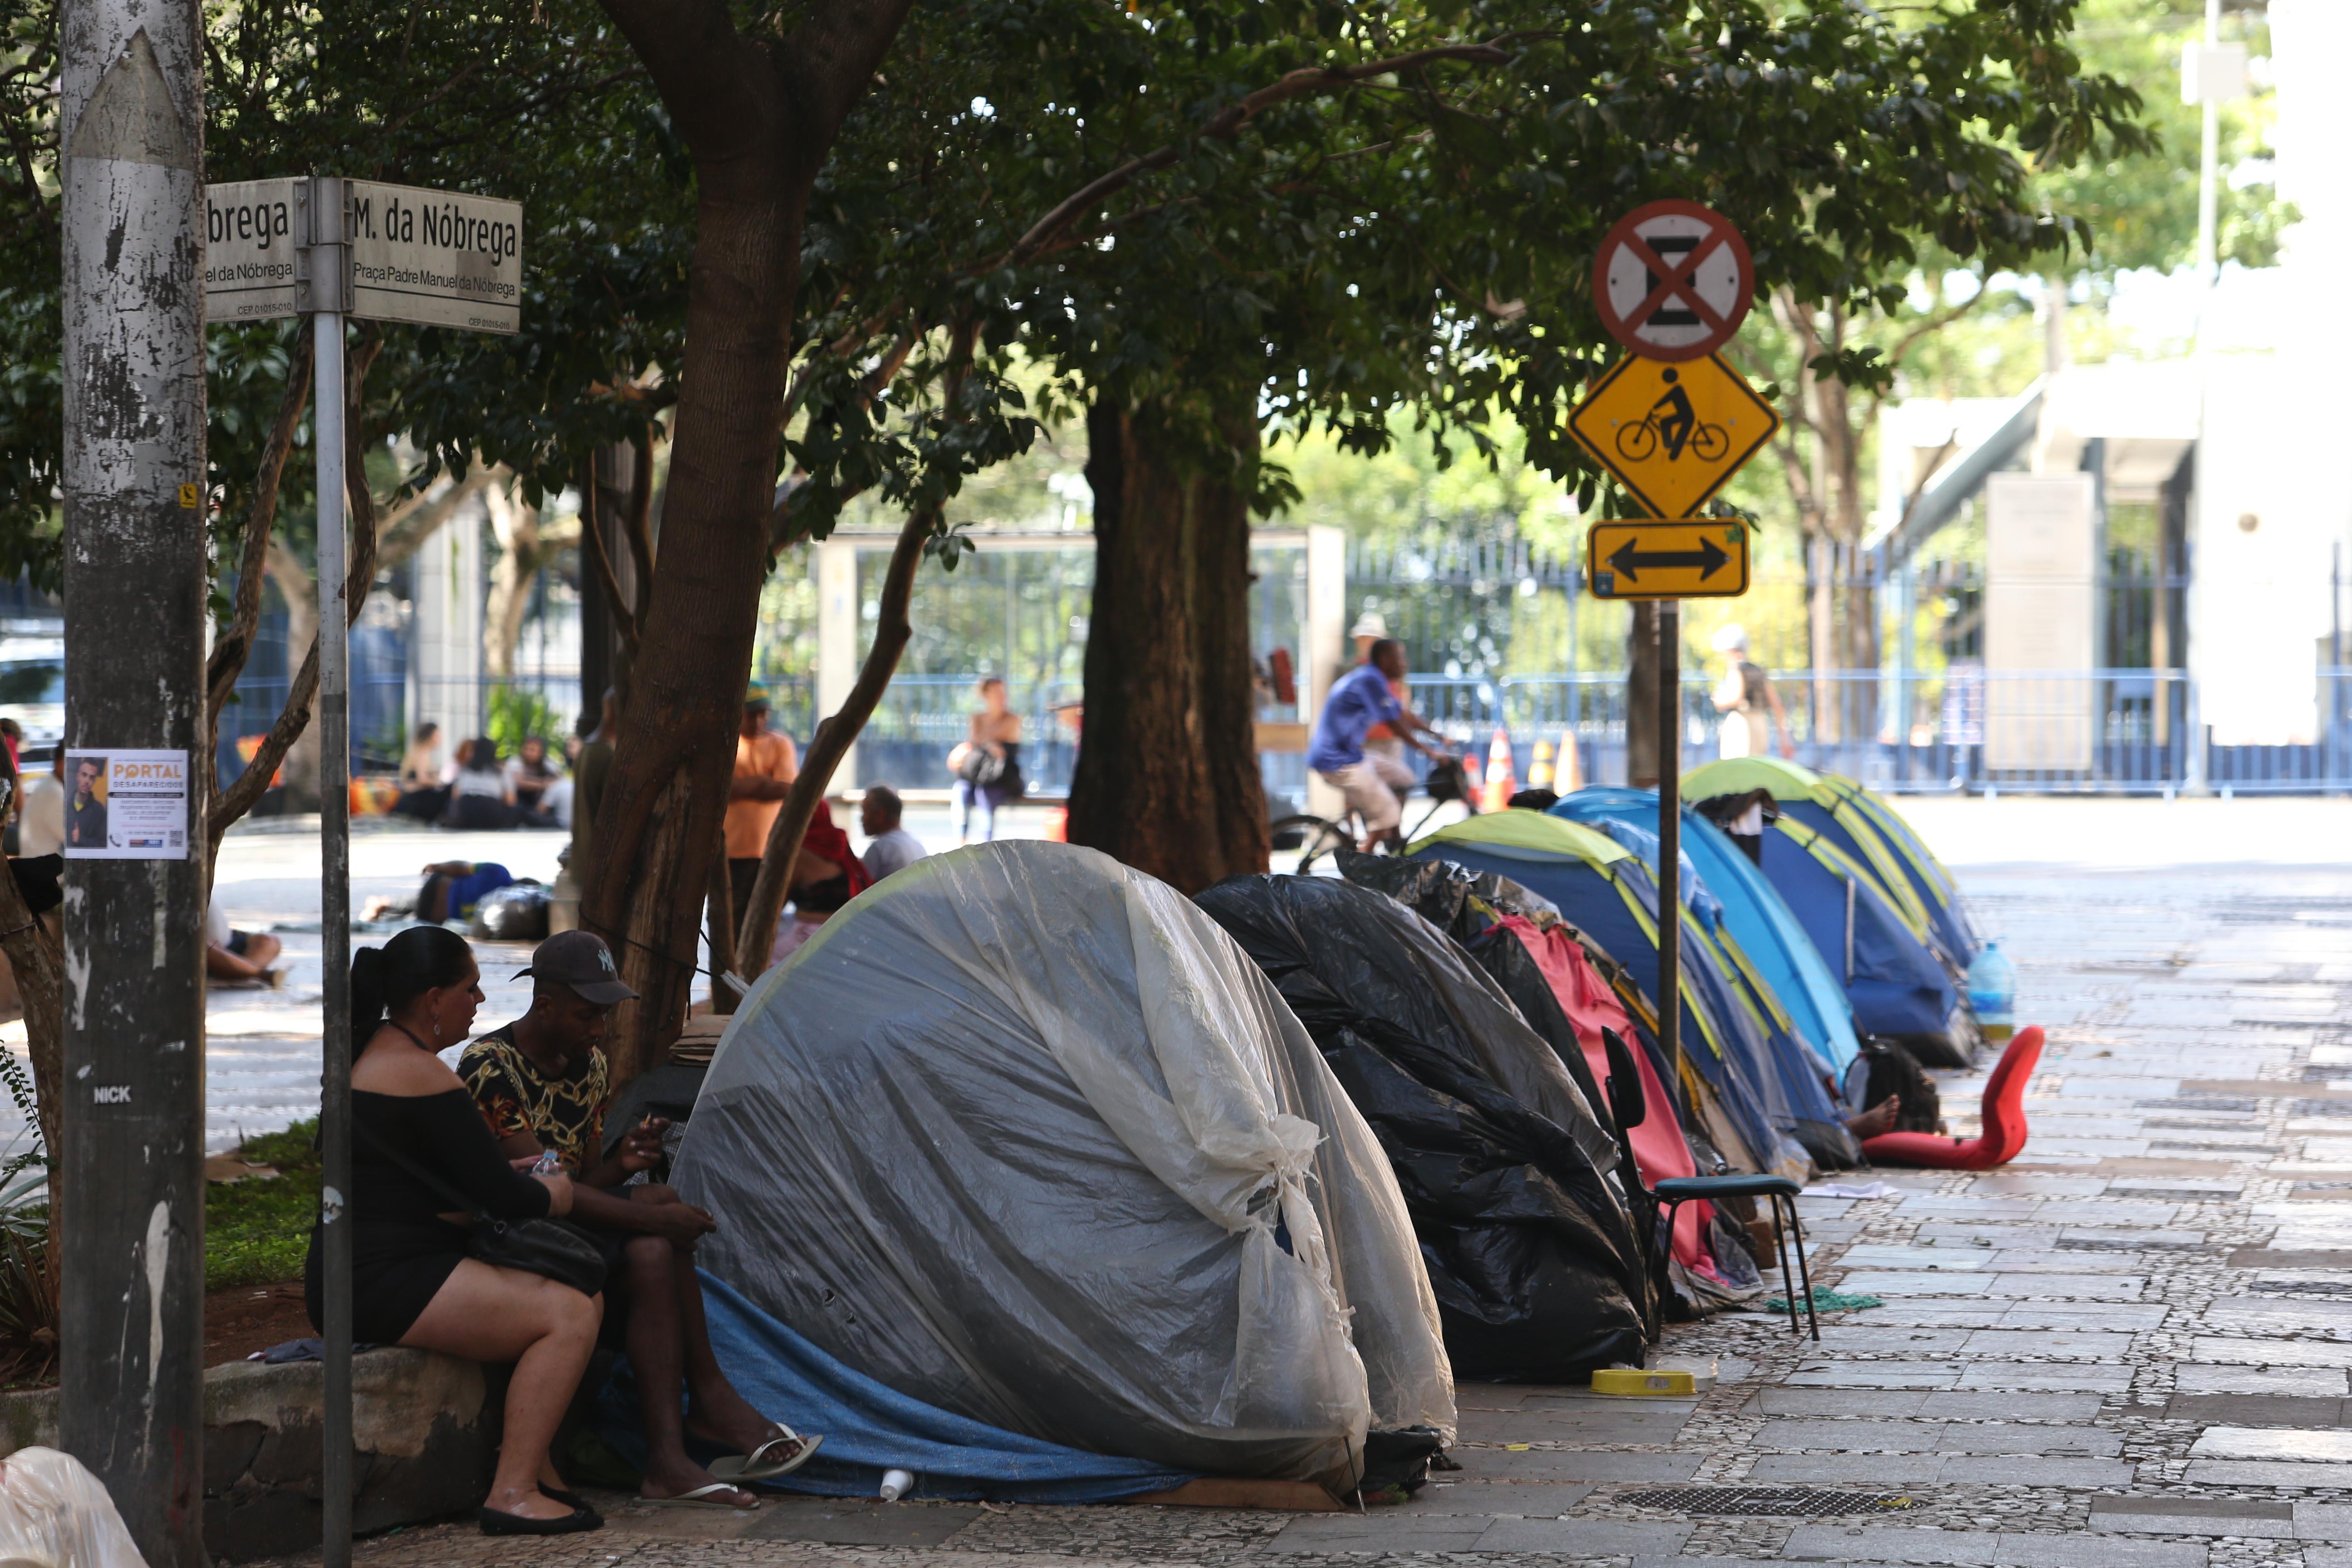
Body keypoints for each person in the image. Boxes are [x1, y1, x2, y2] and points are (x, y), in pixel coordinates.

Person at [462, 931, 818, 1508]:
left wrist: (624, 1160)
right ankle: (705, 1404)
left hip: (561, 1226)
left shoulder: (591, 1065)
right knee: (656, 1216)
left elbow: (585, 1182)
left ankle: (673, 1450)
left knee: (655, 1226)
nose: (598, 1030)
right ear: (545, 1005)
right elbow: (539, 1196)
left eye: (604, 1016)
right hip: (508, 1239)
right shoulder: (491, 1065)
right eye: (586, 1015)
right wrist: (652, 1216)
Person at [305, 926, 603, 1536]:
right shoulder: (419, 1072)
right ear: (435, 999)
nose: (482, 1002)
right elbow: (505, 1196)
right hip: (378, 1276)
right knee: (568, 1314)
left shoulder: (376, 1055)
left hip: (367, 1266)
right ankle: (513, 1493)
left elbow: (456, 1174)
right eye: (472, 989)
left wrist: (512, 1176)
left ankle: (537, 1469)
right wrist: (558, 1189)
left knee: (574, 1293)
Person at [1307, 639, 1442, 851]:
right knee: (1389, 812)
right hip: (1337, 761)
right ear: (1386, 660)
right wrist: (1430, 753)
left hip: (1352, 754)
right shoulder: (1369, 679)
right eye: (1400, 658)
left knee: (1404, 778)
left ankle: (1392, 841)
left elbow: (1402, 714)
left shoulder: (1373, 678)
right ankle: (1359, 869)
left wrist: (1439, 737)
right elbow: (1395, 724)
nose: (1405, 664)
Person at [723, 699, 798, 945]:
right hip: (730, 851)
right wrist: (761, 782)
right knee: (729, 921)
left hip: (767, 849)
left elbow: (787, 788)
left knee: (762, 919)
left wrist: (743, 787)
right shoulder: (725, 742)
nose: (758, 721)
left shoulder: (780, 743)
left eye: (762, 715)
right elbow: (721, 788)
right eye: (751, 715)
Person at [769, 813, 872, 966]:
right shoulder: (840, 845)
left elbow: (775, 903)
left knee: (767, 960)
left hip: (808, 935)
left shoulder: (801, 853)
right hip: (845, 931)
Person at [947, 676, 1023, 844]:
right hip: (978, 775)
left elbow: (980, 740)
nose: (1001, 697)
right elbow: (975, 740)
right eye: (996, 692)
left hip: (1002, 777)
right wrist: (988, 745)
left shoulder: (1013, 719)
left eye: (1003, 693)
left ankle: (985, 845)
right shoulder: (977, 718)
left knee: (985, 795)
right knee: (962, 791)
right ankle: (961, 843)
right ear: (986, 695)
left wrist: (983, 742)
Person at [1709, 624, 1794, 760]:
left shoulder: (1736, 668)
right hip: (1760, 724)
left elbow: (1736, 697)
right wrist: (1784, 739)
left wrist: (1720, 700)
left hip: (1741, 726)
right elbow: (1777, 704)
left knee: (1738, 772)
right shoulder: (1759, 671)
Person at [204, 895, 282, 986]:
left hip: (227, 941)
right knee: (202, 946)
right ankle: (258, 974)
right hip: (202, 947)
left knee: (270, 941)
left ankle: (239, 971)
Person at [445, 739, 522, 829]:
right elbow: (510, 801)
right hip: (491, 813)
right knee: (519, 809)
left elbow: (455, 796)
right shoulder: (500, 772)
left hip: (465, 813)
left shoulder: (465, 770)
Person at [858, 786, 926, 883]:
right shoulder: (917, 845)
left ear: (880, 815)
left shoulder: (879, 849)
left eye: (865, 812)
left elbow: (859, 889)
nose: (862, 819)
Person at [417, 860, 516, 924]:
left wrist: (436, 866)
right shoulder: (499, 873)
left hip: (438, 896)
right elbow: (463, 868)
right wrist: (436, 867)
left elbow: (462, 867)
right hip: (436, 911)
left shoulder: (498, 872)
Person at [393, 723, 450, 822]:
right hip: (416, 800)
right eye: (437, 735)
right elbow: (422, 780)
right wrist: (439, 783)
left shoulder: (417, 752)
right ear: (429, 737)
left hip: (412, 799)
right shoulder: (422, 753)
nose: (440, 739)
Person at [17, 748, 63, 859]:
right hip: (45, 871)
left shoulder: (51, 786)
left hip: (42, 866)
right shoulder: (53, 793)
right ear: (61, 762)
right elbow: (78, 841)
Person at [506, 736, 562, 819]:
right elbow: (519, 782)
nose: (528, 753)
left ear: (540, 752)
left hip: (541, 803)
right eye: (526, 749)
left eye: (532, 750)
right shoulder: (515, 762)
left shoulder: (547, 763)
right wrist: (542, 784)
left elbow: (559, 780)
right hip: (520, 802)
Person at [65, 755, 104, 851]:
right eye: (84, 775)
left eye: (91, 778)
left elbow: (103, 845)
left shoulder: (98, 810)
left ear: (94, 781)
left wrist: (81, 840)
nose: (87, 781)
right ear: (78, 776)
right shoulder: (65, 805)